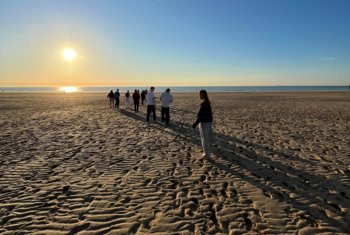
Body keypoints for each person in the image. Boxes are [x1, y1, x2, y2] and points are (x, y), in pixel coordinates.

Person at [192, 90, 213, 158]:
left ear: (203, 95)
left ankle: (207, 154)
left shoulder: (204, 103)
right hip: (208, 122)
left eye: (200, 94)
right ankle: (207, 152)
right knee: (206, 138)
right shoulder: (207, 102)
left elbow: (201, 116)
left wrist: (195, 124)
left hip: (204, 123)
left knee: (204, 138)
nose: (199, 96)